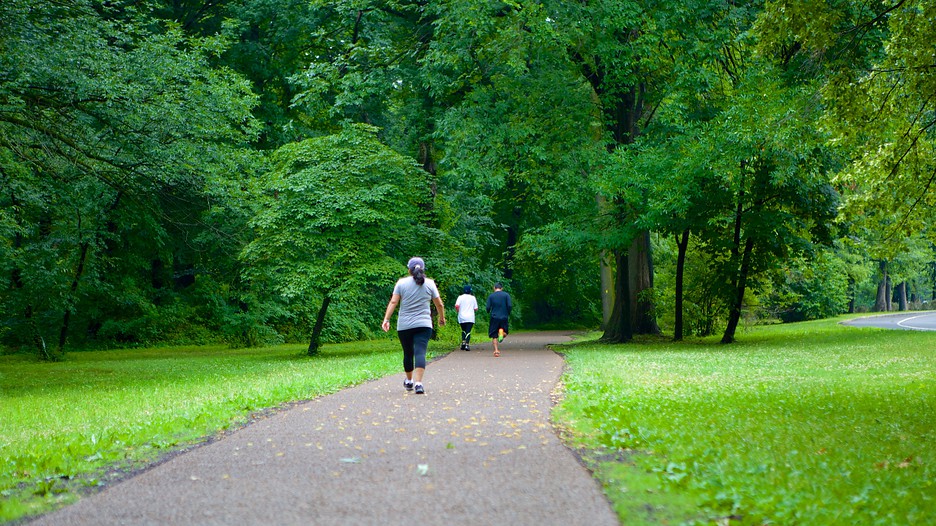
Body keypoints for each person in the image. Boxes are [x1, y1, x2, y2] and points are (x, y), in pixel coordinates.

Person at [382, 257, 445, 394]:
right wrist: (441, 318)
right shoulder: (430, 284)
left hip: (404, 325)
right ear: (422, 268)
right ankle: (418, 384)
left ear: (409, 270)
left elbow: (393, 302)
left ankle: (409, 381)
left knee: (408, 352)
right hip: (424, 325)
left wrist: (386, 319)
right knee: (420, 352)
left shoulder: (401, 283)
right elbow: (439, 303)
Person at [486, 282, 512, 357]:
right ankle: (502, 334)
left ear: (494, 288)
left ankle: (496, 351)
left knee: (494, 335)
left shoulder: (491, 296)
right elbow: (509, 305)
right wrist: (508, 312)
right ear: (502, 288)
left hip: (494, 316)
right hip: (504, 316)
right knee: (505, 332)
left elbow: (488, 307)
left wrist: (488, 311)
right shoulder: (506, 295)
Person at [454, 285, 478, 351]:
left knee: (463, 330)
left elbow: (456, 305)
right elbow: (476, 308)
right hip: (470, 317)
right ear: (470, 291)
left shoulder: (460, 297)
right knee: (468, 331)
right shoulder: (473, 298)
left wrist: (458, 311)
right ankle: (467, 345)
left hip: (462, 316)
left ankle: (463, 343)